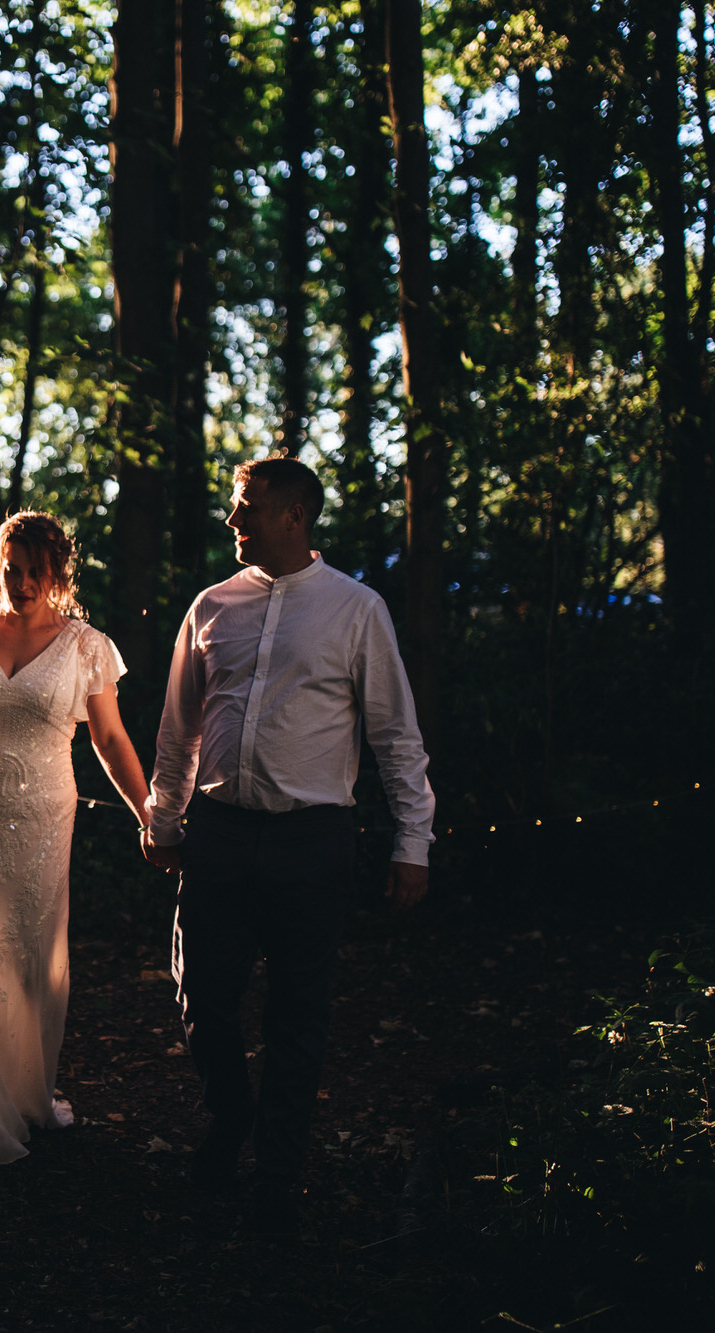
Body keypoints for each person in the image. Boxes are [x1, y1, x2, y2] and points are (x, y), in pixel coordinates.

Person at [141, 453, 435, 1227]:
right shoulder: (210, 607)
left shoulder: (357, 610)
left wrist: (414, 842)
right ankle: (231, 1115)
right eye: (236, 508)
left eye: (248, 507)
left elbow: (396, 735)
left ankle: (277, 1171)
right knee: (201, 993)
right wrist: (163, 817)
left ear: (295, 516)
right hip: (220, 834)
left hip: (313, 838)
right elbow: (179, 729)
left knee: (298, 1011)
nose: (234, 520)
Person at [0, 511, 151, 1169]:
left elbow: (109, 738)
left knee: (29, 957)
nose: (18, 583)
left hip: (43, 818)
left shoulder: (86, 646)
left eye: (33, 574)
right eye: (9, 570)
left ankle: (21, 1095)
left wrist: (149, 811)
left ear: (58, 577)